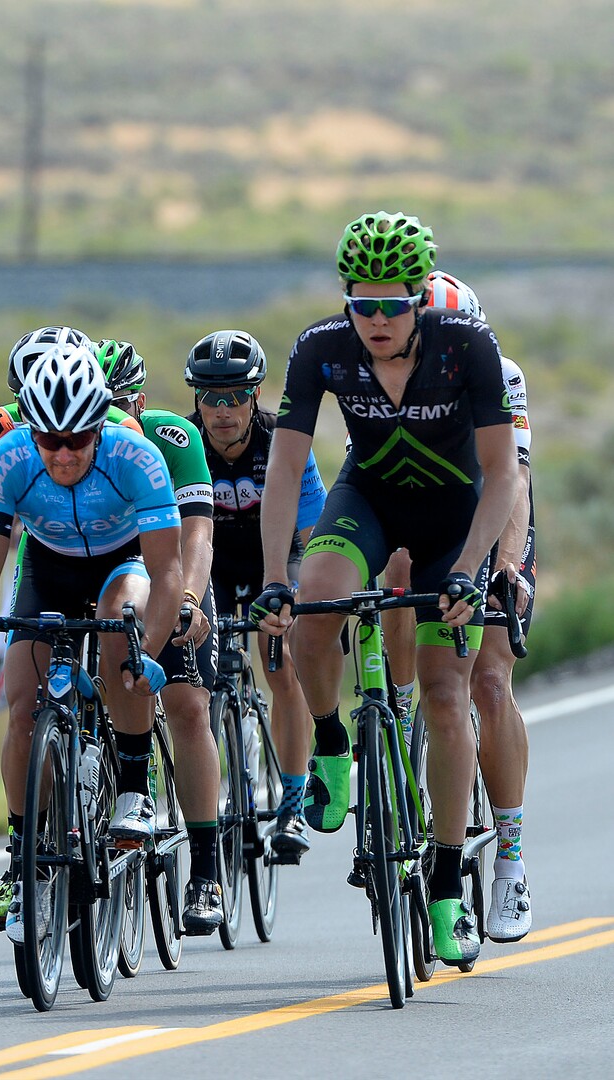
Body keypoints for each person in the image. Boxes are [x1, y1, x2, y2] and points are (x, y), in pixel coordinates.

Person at [251, 211, 518, 967]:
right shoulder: (321, 350)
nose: (373, 320)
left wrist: (471, 567)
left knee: (442, 696)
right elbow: (283, 467)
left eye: (391, 305)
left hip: (454, 521)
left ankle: (442, 886)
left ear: (418, 301)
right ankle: (333, 742)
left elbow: (501, 473)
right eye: (359, 304)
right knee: (312, 609)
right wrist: (275, 575)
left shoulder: (467, 348)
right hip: (367, 500)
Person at [0, 345, 183, 943]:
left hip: (122, 561)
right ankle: (23, 852)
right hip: (47, 566)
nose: (65, 453)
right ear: (31, 428)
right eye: (50, 440)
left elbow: (169, 573)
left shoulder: (138, 457)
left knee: (120, 624)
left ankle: (131, 782)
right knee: (24, 712)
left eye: (79, 438)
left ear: (101, 425)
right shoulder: (8, 459)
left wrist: (146, 650)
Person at [381, 269, 534, 943]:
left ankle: (510, 859)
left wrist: (503, 566)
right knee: (392, 575)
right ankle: (398, 718)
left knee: (491, 679)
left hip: (492, 515)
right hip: (423, 509)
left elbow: (516, 481)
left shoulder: (499, 373)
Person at [95, 338, 223, 933]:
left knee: (188, 705)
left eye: (121, 402)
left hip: (171, 575)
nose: (110, 416)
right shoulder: (74, 448)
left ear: (140, 400)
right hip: (105, 574)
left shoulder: (173, 440)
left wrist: (192, 601)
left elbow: (197, 537)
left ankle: (205, 869)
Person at [184, 330, 327, 858]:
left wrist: (301, 599)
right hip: (214, 563)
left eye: (236, 397)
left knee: (281, 665)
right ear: (196, 398)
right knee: (198, 676)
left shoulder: (282, 442)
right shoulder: (183, 445)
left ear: (256, 395)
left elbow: (314, 540)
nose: (223, 411)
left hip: (277, 558)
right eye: (210, 398)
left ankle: (292, 805)